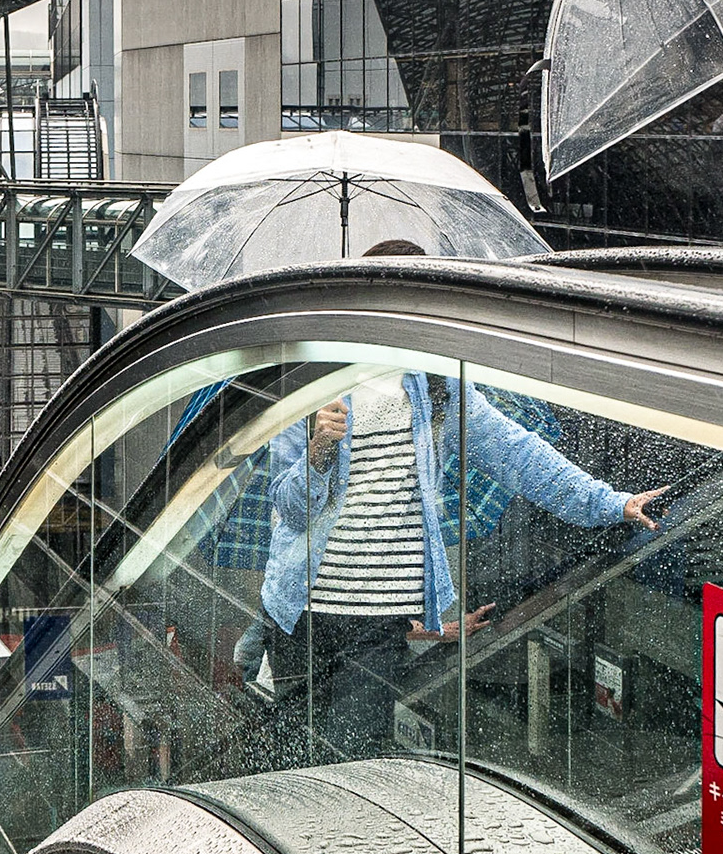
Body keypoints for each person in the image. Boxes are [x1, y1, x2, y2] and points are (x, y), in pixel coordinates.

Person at [256, 243, 667, 761]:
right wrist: (317, 452)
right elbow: (289, 510)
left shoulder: (440, 389)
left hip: (380, 625)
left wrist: (611, 503)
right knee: (286, 766)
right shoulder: (315, 376)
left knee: (349, 766)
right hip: (300, 614)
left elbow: (521, 457)